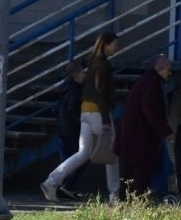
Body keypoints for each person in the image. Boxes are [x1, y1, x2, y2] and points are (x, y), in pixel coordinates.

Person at [42, 31, 122, 203]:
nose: (117, 47)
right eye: (114, 44)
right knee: (111, 153)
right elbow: (101, 91)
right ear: (105, 44)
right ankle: (114, 194)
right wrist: (106, 119)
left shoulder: (92, 62)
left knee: (83, 153)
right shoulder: (103, 64)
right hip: (98, 112)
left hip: (86, 112)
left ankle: (52, 181)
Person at [116, 54, 173, 198]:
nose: (169, 73)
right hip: (139, 138)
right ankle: (136, 201)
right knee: (140, 172)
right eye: (168, 69)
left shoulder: (146, 81)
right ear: (160, 67)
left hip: (131, 135)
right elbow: (151, 111)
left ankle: (127, 201)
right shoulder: (152, 84)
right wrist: (165, 131)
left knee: (129, 173)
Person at [54, 60, 88, 183]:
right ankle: (66, 184)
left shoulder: (66, 87)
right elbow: (72, 109)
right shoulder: (75, 90)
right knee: (82, 157)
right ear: (76, 75)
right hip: (71, 129)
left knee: (66, 159)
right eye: (83, 72)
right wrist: (83, 121)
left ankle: (62, 185)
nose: (85, 75)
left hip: (63, 127)